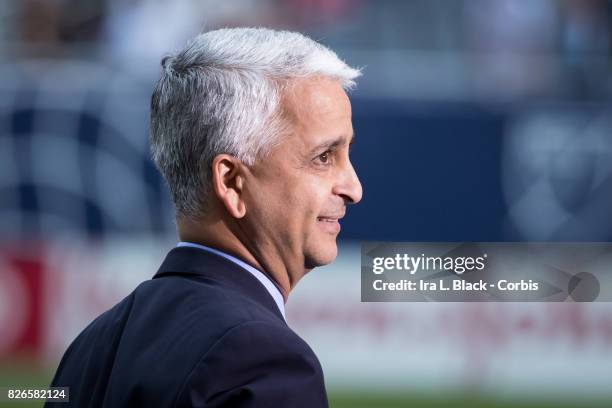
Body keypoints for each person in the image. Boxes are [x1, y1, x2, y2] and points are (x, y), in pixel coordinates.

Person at [46, 27, 362, 407]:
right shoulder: (266, 360)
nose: (353, 188)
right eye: (324, 157)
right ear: (231, 182)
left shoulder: (91, 345)